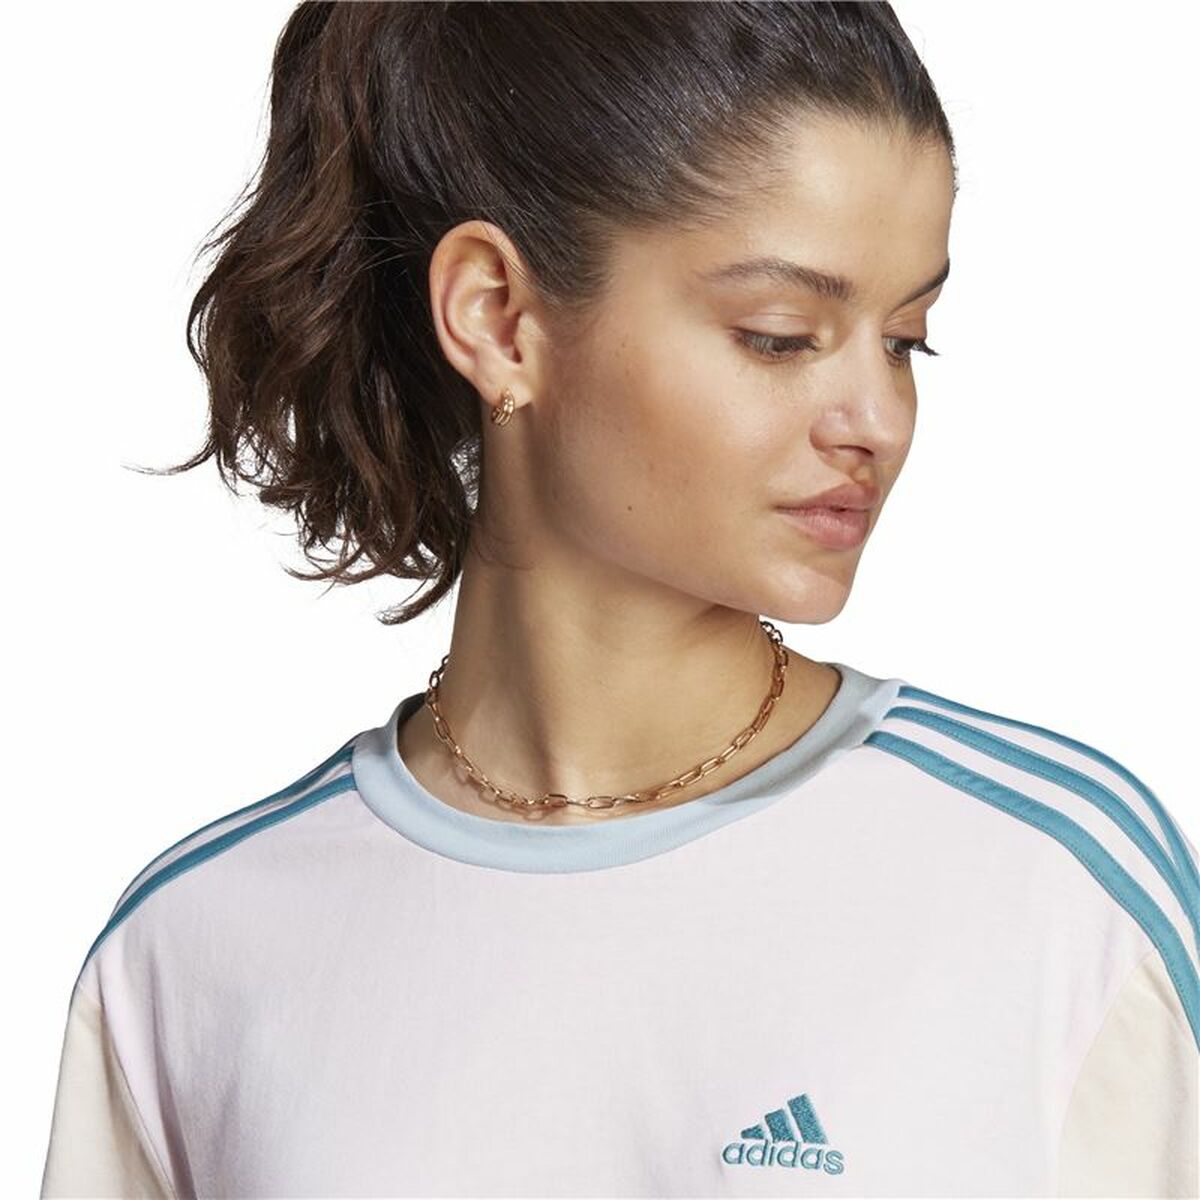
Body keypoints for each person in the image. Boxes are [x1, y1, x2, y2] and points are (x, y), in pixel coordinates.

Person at [39, 2, 1198, 1196]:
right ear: (499, 319)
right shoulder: (196, 953)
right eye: (780, 336)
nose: (878, 422)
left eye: (906, 339)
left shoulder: (1055, 887)